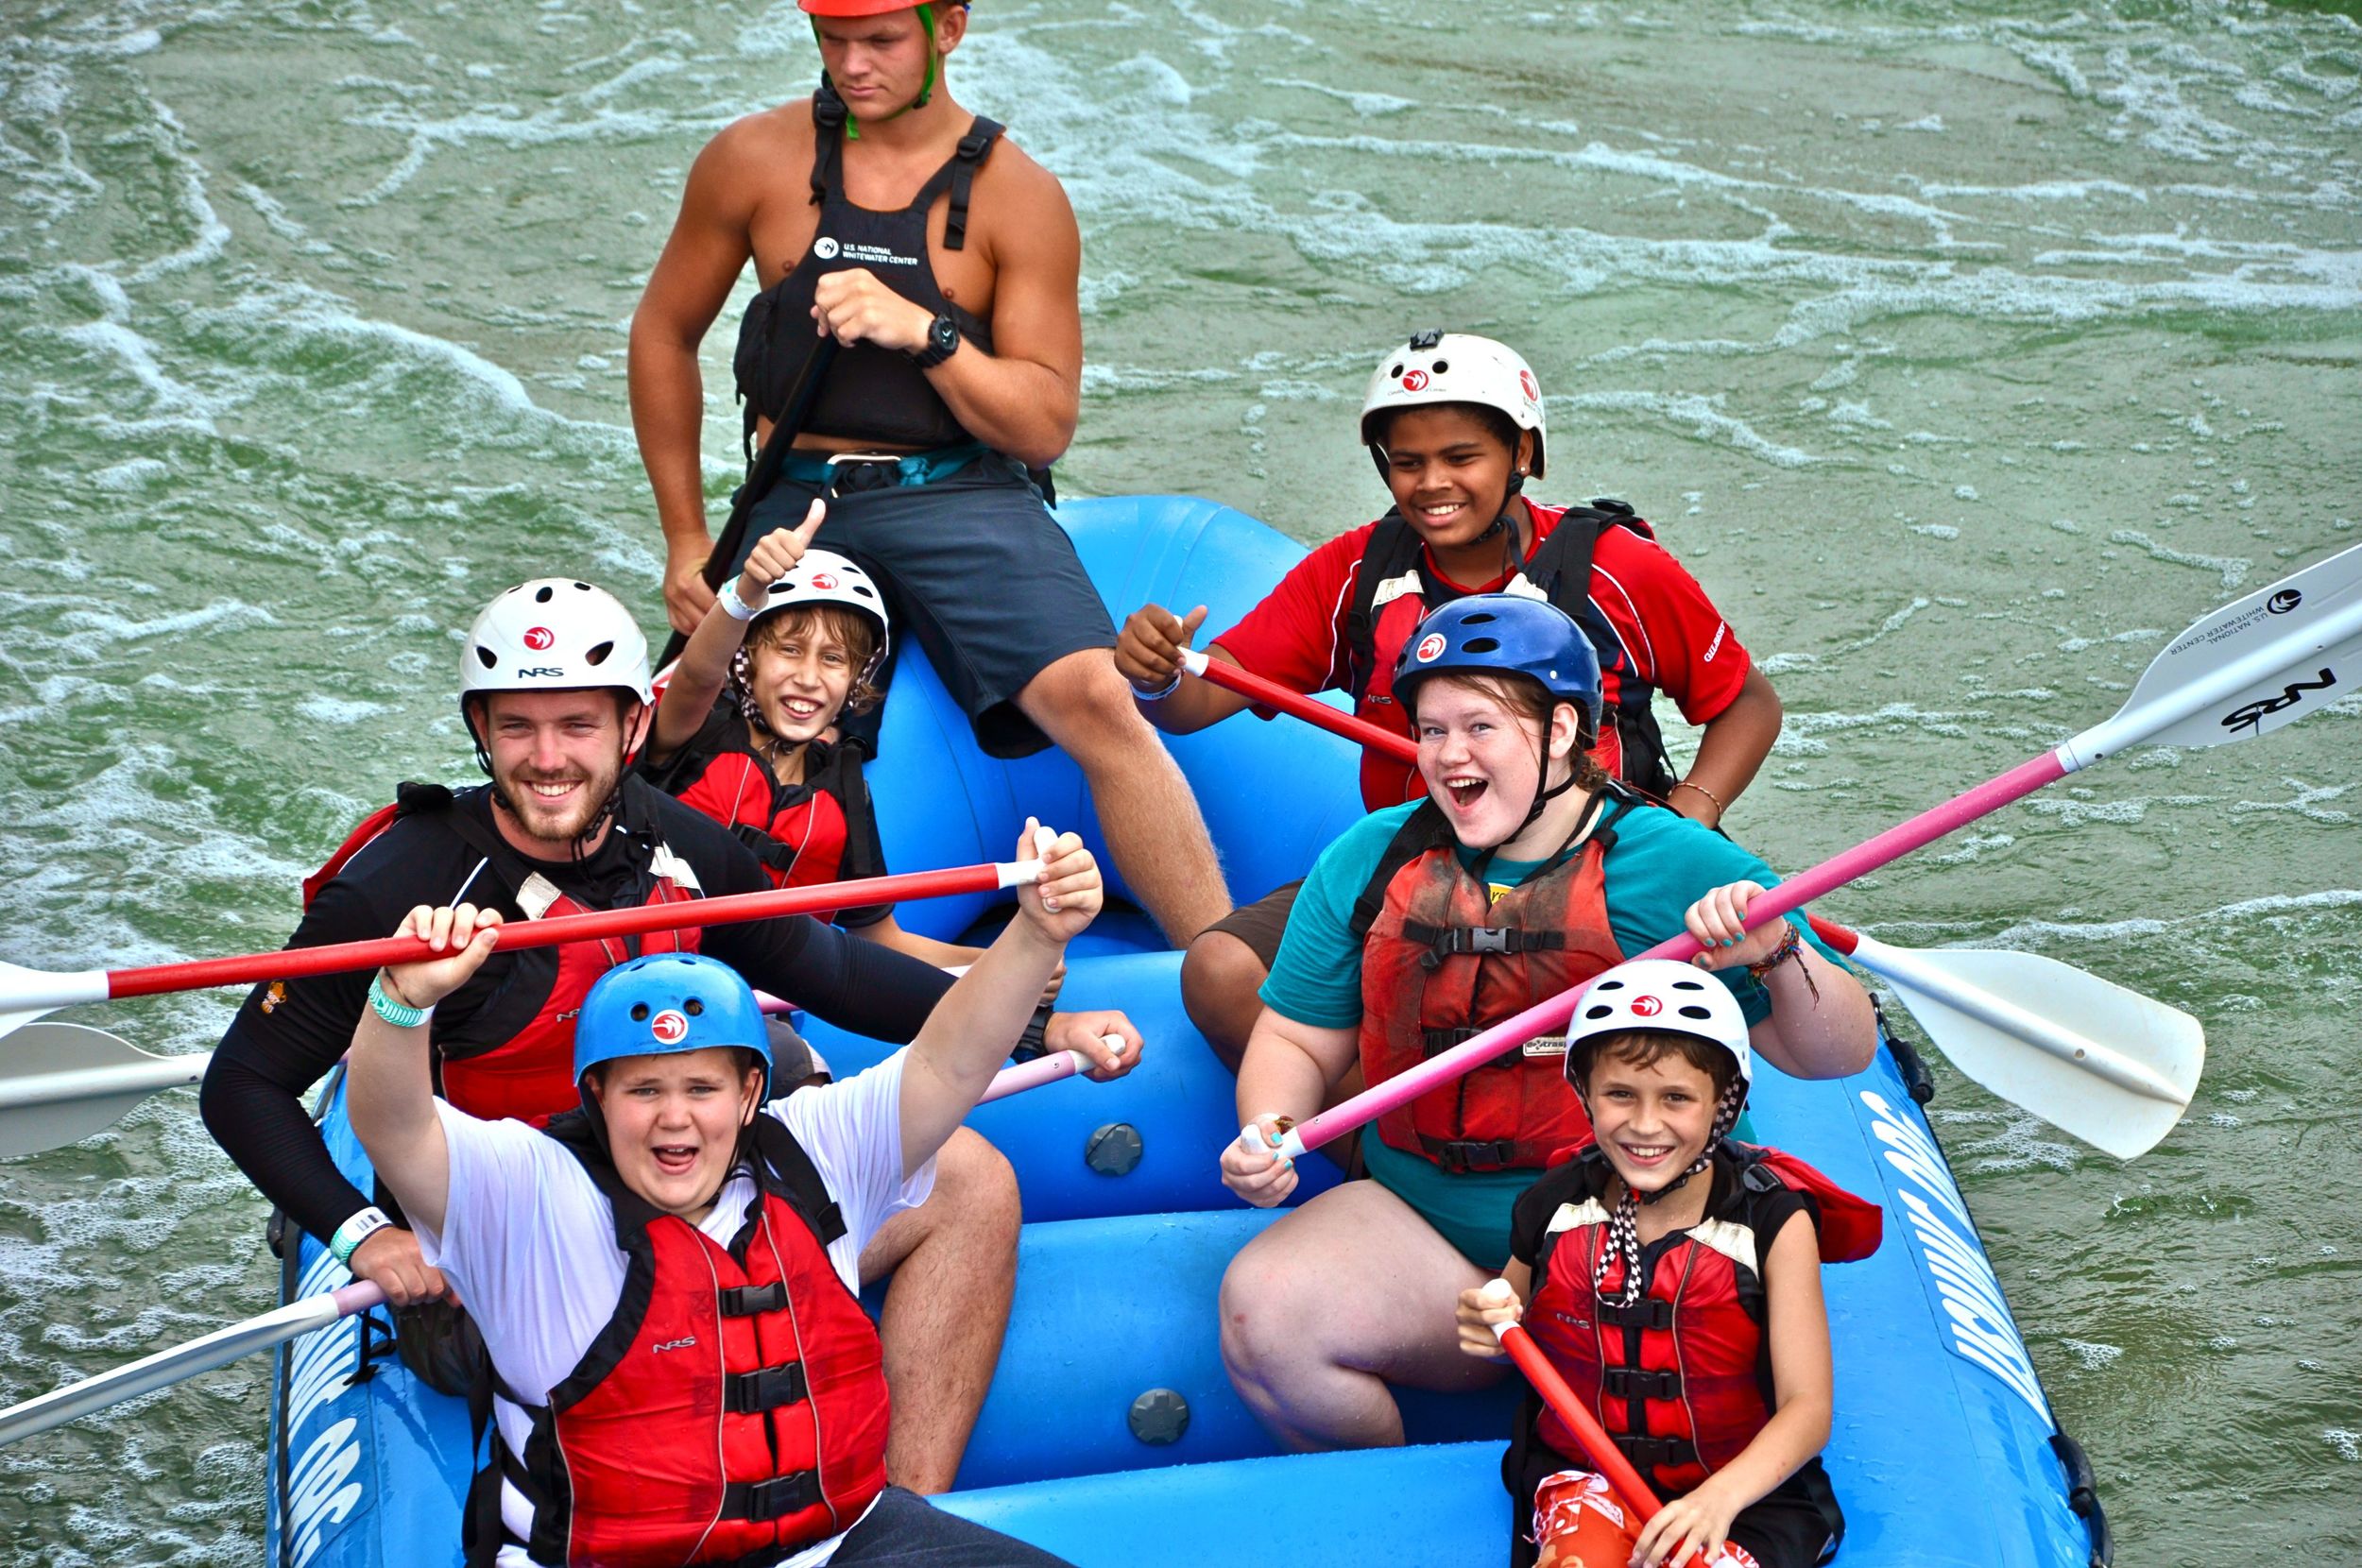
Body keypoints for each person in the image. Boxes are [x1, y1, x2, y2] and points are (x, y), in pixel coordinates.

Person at [200, 578, 1141, 1494]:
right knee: (658, 1306)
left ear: (631, 728)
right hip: (516, 1236)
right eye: (517, 727)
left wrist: (1037, 1021)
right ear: (480, 733)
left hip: (682, 1176)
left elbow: (829, 967)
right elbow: (243, 1081)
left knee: (973, 1181)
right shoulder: (403, 882)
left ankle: (899, 1508)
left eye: (578, 726)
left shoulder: (672, 841)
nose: (547, 758)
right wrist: (361, 1234)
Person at [342, 819, 1104, 1566]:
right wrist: (401, 1000)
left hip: (843, 1544)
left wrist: (1039, 935)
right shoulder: (530, 1195)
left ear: (748, 1093)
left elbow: (948, 1063)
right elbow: (397, 1129)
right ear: (597, 1096)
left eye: (701, 1088)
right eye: (644, 1089)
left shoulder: (816, 1151)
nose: (675, 1119)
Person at [1214, 594, 1875, 1453]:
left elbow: (1839, 1052)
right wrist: (1270, 1126)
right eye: (1431, 728)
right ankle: (1401, 1504)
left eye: (1481, 727)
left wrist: (1779, 951)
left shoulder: (1674, 862)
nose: (1449, 756)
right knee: (1265, 1318)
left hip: (1636, 1235)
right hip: (1432, 1230)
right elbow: (1298, 1039)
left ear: (1562, 730)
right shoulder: (1373, 857)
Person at [627, 0, 1227, 946]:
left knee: (1100, 698)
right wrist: (687, 540)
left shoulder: (1016, 197)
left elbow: (1043, 424)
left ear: (947, 27)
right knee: (666, 733)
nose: (852, 66)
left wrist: (926, 332)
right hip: (801, 492)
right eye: (832, 41)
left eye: (880, 42)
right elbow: (664, 334)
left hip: (960, 489)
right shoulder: (751, 161)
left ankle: (1230, 976)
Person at [1115, 331, 1783, 1066]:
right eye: (1408, 463)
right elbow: (1200, 699)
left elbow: (1747, 703)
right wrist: (1159, 674)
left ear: (1521, 455)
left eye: (1461, 457)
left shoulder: (1619, 568)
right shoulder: (1356, 574)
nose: (1432, 483)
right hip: (1420, 861)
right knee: (1221, 972)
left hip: (1598, 852)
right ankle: (1389, 1154)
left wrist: (1694, 807)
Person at [1455, 958, 1880, 1568]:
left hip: (1744, 1494)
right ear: (1586, 1095)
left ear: (1722, 1104)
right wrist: (1485, 1319)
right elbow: (1506, 1319)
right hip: (1584, 1475)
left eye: (1676, 1098)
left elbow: (1808, 1410)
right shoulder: (1552, 1205)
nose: (1645, 1125)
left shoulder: (1773, 1223)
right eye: (1620, 1095)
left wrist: (1717, 1500)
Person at [641, 507, 1048, 989]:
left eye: (833, 660)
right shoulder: (694, 733)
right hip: (644, 981)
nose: (809, 678)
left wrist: (1006, 963)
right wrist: (749, 588)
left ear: (854, 681)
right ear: (747, 658)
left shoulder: (844, 791)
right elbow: (697, 674)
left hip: (755, 1011)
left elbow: (880, 939)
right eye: (789, 651)